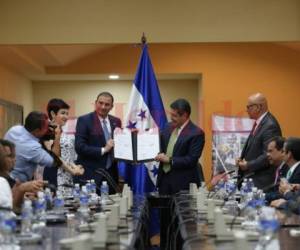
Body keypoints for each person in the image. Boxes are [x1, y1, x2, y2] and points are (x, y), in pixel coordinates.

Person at [155, 98, 205, 195]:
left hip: (182, 184)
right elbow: (160, 146)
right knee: (163, 209)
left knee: (180, 210)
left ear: (185, 115)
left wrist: (170, 160)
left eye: (174, 116)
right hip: (164, 181)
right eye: (171, 114)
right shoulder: (167, 127)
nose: (171, 118)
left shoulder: (196, 133)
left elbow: (191, 160)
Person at [75, 92, 122, 193]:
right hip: (91, 173)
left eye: (107, 104)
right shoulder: (84, 120)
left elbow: (120, 144)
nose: (103, 107)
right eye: (100, 103)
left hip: (111, 173)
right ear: (95, 103)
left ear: (112, 106)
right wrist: (103, 150)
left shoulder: (116, 121)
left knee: (112, 205)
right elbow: (79, 147)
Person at [237, 93, 282, 189]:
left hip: (261, 181)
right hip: (252, 178)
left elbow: (269, 155)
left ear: (258, 107)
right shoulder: (260, 123)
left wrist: (248, 165)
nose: (246, 110)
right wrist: (242, 159)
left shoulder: (270, 125)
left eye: (248, 107)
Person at [44, 98, 84, 196]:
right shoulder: (46, 131)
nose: (66, 116)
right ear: (53, 114)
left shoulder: (64, 132)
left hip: (68, 176)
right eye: (63, 113)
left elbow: (69, 156)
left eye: (67, 113)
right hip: (55, 176)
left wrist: (76, 167)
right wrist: (72, 170)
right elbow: (54, 156)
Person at [4, 111, 59, 182]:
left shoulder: (14, 129)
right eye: (45, 128)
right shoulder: (32, 147)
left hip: (3, 177)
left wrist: (47, 122)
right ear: (37, 131)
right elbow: (53, 162)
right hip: (16, 184)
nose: (47, 130)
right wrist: (57, 136)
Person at [0, 139, 44, 210]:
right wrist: (21, 190)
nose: (14, 159)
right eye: (9, 156)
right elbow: (11, 211)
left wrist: (24, 195)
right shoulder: (2, 182)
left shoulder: (7, 180)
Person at [270, 137, 300, 209]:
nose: (281, 154)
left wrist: (286, 191)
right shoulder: (289, 170)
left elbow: (296, 201)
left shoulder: (298, 172)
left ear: (289, 154)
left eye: (283, 151)